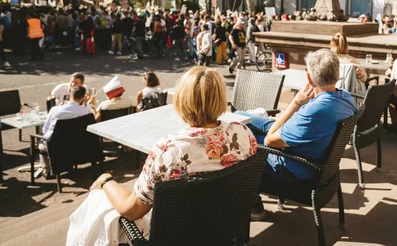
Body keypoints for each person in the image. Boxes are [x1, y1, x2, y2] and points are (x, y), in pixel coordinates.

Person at [66, 67, 257, 245]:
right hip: (223, 228)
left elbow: (131, 211)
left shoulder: (169, 151)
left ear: (182, 100)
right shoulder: (243, 134)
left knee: (98, 201)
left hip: (178, 236)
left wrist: (106, 180)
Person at [237, 49, 357, 220]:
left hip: (296, 167)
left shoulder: (313, 112)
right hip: (314, 152)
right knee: (241, 116)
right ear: (336, 75)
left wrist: (295, 104)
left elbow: (271, 140)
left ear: (309, 78)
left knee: (241, 143)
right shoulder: (345, 97)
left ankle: (254, 204)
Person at [37, 86, 91, 178]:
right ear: (83, 97)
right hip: (77, 144)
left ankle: (46, 168)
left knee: (41, 143)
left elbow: (45, 129)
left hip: (56, 146)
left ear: (69, 95)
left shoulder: (55, 109)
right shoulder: (85, 111)